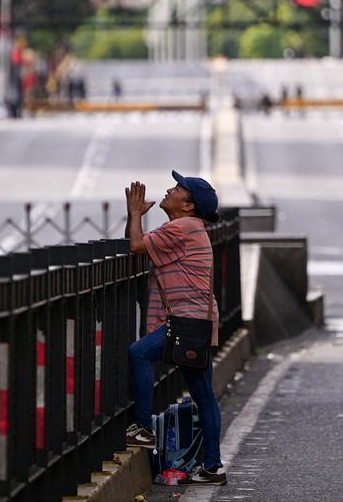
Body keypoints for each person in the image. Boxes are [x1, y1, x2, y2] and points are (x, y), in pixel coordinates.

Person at [123, 171, 227, 486]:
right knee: (205, 396)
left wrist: (136, 213)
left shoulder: (182, 228)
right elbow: (142, 243)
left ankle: (142, 428)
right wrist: (137, 217)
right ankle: (212, 466)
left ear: (189, 205)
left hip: (188, 321)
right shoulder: (188, 227)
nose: (170, 189)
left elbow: (137, 245)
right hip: (196, 320)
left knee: (139, 353)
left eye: (178, 188)